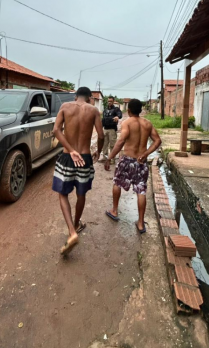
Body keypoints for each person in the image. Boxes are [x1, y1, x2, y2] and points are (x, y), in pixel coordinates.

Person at [52, 86, 103, 255]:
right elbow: (101, 136)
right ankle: (75, 223)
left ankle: (72, 232)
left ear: (75, 97)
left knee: (63, 194)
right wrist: (99, 151)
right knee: (81, 195)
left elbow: (56, 130)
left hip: (68, 157)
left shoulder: (65, 107)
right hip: (85, 158)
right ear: (89, 98)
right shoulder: (94, 110)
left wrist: (71, 150)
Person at [104, 99, 161, 234]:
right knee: (141, 190)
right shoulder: (147, 123)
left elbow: (121, 141)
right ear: (141, 110)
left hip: (127, 160)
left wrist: (110, 157)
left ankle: (115, 210)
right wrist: (146, 153)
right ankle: (140, 223)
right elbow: (158, 140)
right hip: (141, 162)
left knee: (117, 183)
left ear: (128, 110)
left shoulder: (127, 123)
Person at [101, 96, 122, 162]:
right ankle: (105, 157)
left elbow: (120, 115)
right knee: (104, 144)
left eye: (111, 101)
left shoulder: (116, 109)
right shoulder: (105, 109)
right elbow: (103, 119)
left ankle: (112, 158)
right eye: (108, 101)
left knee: (112, 145)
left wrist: (117, 117)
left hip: (112, 129)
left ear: (113, 102)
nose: (109, 102)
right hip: (105, 129)